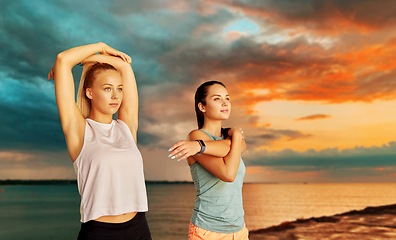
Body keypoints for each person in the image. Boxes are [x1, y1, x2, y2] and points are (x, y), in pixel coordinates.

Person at [48, 43, 152, 240]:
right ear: (89, 93)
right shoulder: (79, 130)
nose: (116, 96)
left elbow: (125, 67)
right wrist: (101, 47)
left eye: (119, 89)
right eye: (107, 88)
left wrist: (90, 60)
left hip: (139, 228)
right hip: (99, 232)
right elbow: (63, 60)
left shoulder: (126, 127)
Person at [168, 81, 249, 240]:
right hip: (208, 231)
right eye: (217, 99)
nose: (225, 103)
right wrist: (237, 136)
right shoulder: (195, 136)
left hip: (239, 230)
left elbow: (240, 146)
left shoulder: (227, 139)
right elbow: (228, 174)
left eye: (227, 98)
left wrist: (200, 147)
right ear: (202, 107)